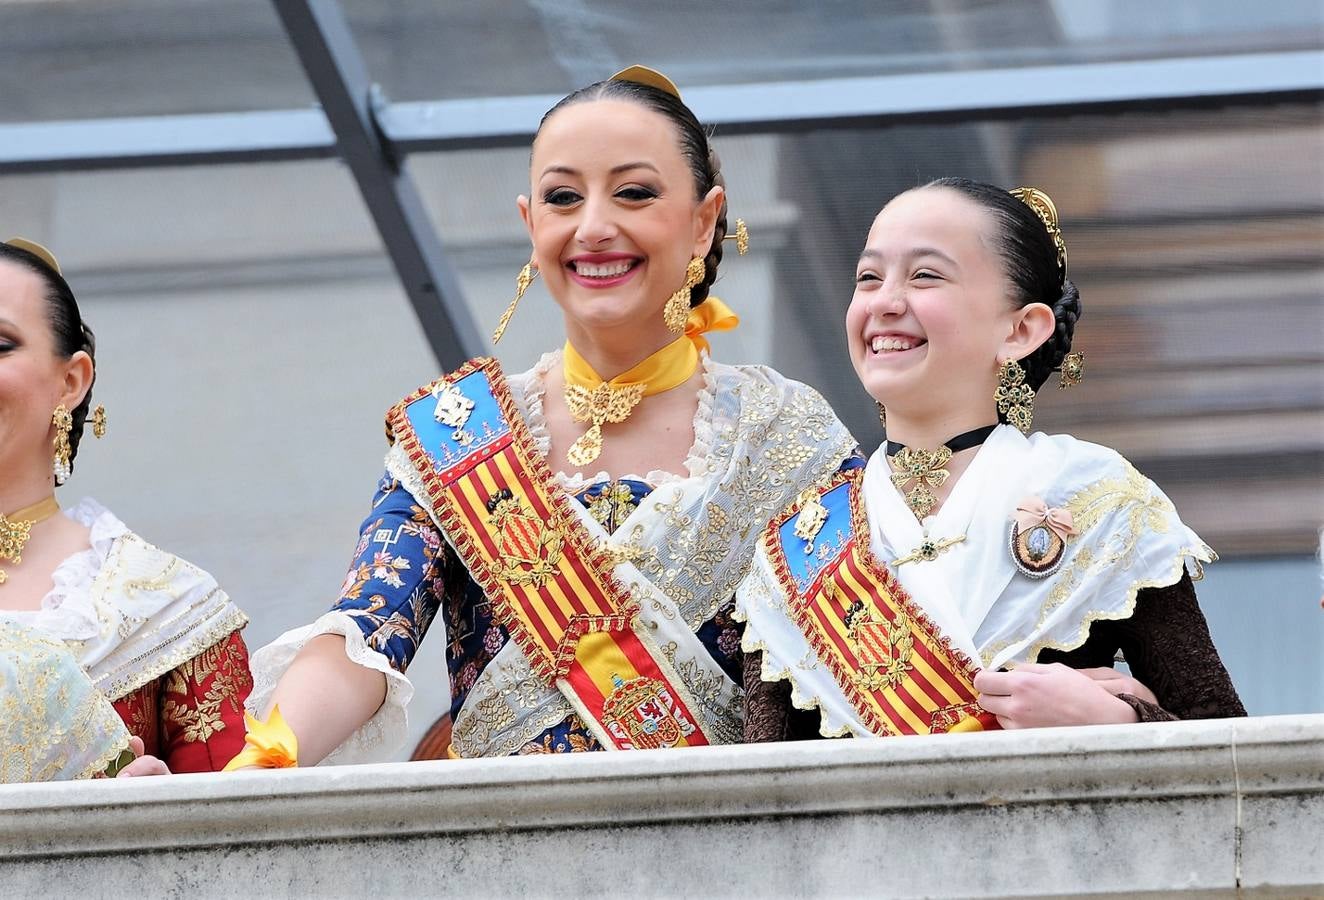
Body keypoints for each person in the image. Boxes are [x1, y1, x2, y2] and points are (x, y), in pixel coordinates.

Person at [239, 67, 853, 766]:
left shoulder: (788, 434)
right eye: (564, 197)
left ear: (703, 220)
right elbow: (369, 628)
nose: (594, 227)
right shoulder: (456, 432)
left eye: (634, 193)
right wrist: (272, 753)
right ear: (532, 225)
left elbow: (867, 649)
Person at [737, 179, 1244, 741]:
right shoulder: (798, 547)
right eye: (868, 277)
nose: (885, 301)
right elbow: (759, 793)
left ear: (1021, 329)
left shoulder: (1097, 498)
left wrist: (1116, 718)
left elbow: (1227, 749)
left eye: (925, 275)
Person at [0, 238, 253, 776]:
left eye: (0, 344)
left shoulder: (170, 610)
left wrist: (151, 819)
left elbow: (233, 840)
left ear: (71, 381)